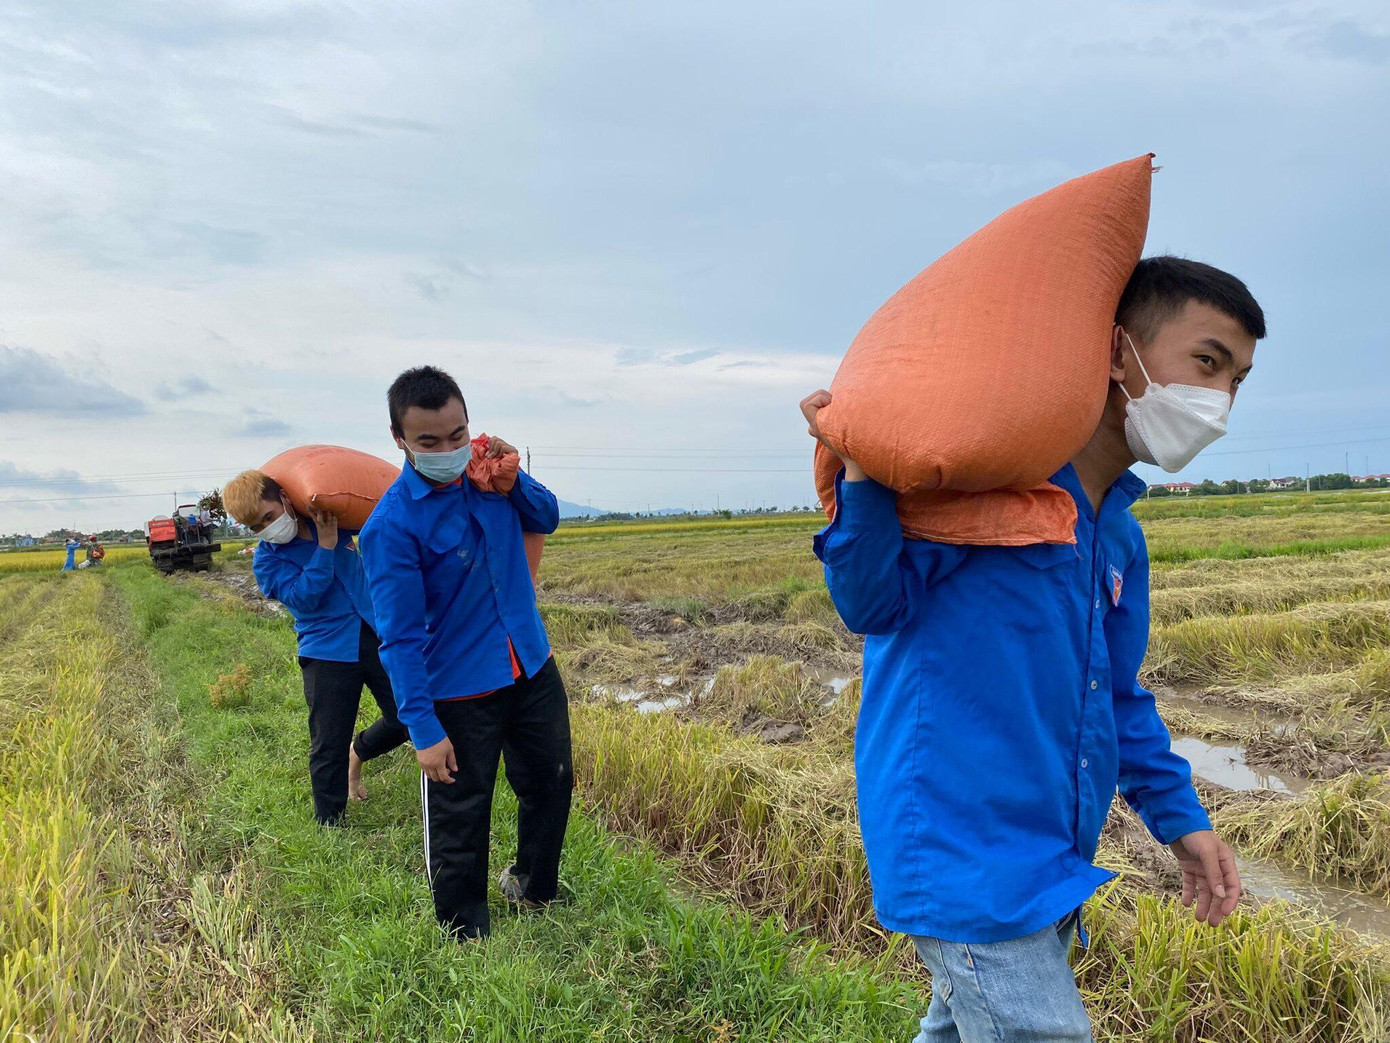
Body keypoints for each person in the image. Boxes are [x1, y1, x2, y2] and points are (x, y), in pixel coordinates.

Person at [802, 256, 1263, 1041]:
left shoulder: (1118, 533)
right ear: (1121, 352)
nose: (1217, 400)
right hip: (961, 851)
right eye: (1207, 362)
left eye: (1237, 381)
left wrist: (1182, 819)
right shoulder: (986, 479)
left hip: (1049, 855)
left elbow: (1116, 696)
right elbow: (871, 602)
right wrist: (865, 463)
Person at [359, 365, 572, 940]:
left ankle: (534, 886)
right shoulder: (392, 527)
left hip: (529, 663)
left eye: (458, 435)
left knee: (551, 781)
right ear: (400, 440)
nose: (449, 450)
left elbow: (547, 517)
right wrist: (423, 730)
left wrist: (513, 480)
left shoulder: (489, 478)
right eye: (430, 442)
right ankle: (463, 929)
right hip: (458, 688)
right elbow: (398, 639)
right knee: (461, 811)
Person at [222, 470, 409, 825]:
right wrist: (324, 550)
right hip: (326, 650)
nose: (266, 528)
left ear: (285, 500)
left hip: (375, 633)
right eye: (256, 527)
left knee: (406, 717)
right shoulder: (267, 560)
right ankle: (330, 823)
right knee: (328, 743)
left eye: (268, 516)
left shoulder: (333, 521)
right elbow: (302, 599)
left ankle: (360, 752)